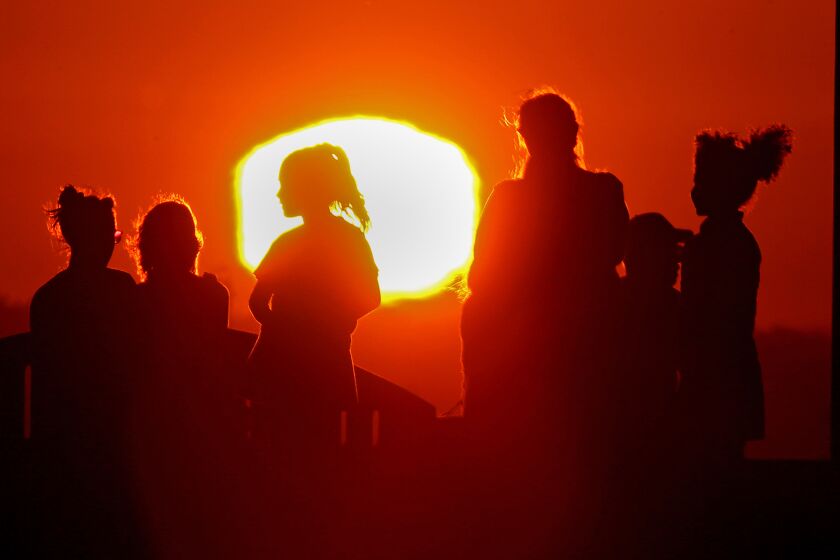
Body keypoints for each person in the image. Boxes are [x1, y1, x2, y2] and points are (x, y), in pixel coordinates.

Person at [459, 90, 629, 556]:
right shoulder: (604, 191)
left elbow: (483, 276)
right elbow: (616, 255)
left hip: (532, 367)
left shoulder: (510, 199)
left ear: (525, 138)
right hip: (584, 366)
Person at [28, 185, 141, 556]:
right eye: (111, 235)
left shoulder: (47, 298)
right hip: (115, 444)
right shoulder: (124, 290)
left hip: (63, 444)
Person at [247, 143, 380, 450]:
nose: (279, 194)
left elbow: (257, 302)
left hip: (282, 368)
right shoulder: (349, 239)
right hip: (327, 364)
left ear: (305, 188)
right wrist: (331, 323)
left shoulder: (287, 244)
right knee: (323, 449)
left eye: (284, 186)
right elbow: (370, 297)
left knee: (277, 451)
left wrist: (284, 328)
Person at [131, 197, 239, 556]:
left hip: (148, 432)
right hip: (201, 433)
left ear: (146, 247)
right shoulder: (213, 296)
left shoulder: (133, 301)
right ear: (192, 246)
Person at [680, 125, 792, 467]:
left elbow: (706, 317)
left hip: (716, 380)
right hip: (731, 377)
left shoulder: (719, 246)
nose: (694, 189)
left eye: (701, 180)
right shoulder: (733, 242)